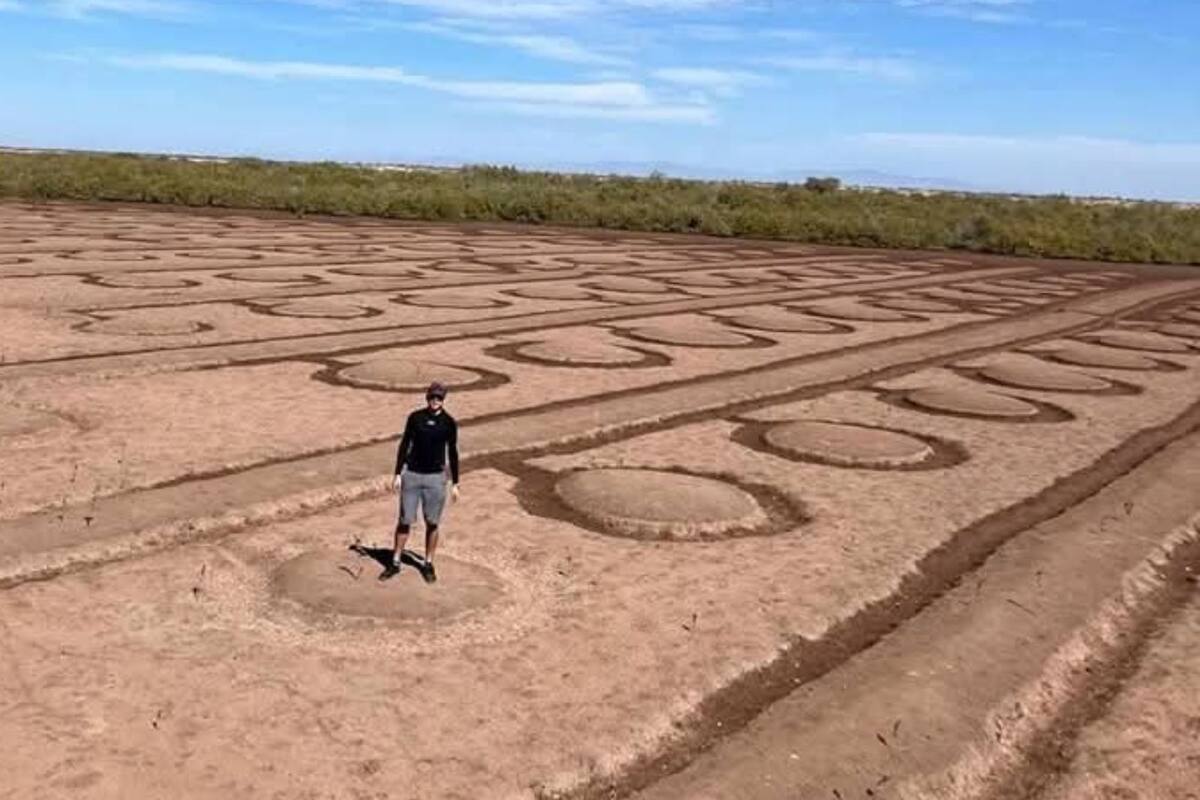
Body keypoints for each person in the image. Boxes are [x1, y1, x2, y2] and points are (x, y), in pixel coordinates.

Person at [380, 381, 460, 583]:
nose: (435, 400)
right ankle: (395, 561)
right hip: (412, 475)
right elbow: (405, 443)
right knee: (405, 519)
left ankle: (428, 563)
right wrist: (397, 473)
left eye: (439, 397)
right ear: (427, 397)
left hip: (435, 478)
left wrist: (456, 483)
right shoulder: (415, 418)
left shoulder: (449, 423)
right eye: (433, 397)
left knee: (432, 522)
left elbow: (452, 452)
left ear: (444, 399)